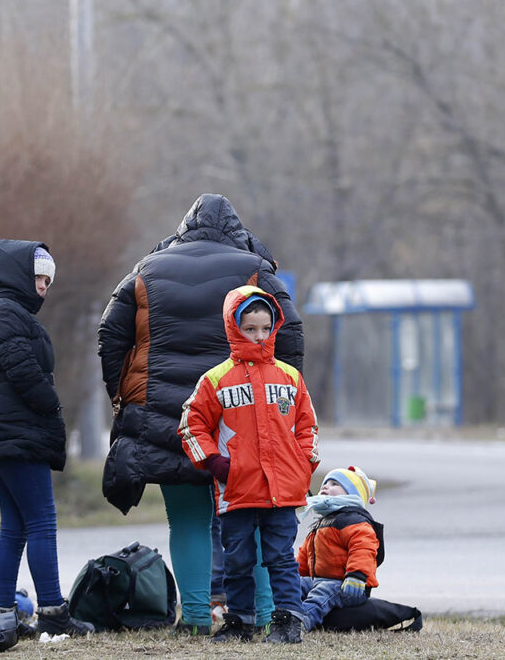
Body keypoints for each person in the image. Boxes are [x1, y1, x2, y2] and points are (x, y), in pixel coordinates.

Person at [98, 193, 303, 634]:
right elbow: (292, 333)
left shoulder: (146, 269)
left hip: (165, 415)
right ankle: (265, 615)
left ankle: (193, 618)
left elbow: (110, 335)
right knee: (258, 519)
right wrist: (280, 396)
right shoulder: (254, 268)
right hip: (245, 416)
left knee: (188, 518)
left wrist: (123, 394)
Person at [180, 286, 319, 644]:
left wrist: (302, 466)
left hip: (283, 490)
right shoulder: (215, 379)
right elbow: (191, 424)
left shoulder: (289, 376)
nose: (258, 335)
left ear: (274, 328)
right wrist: (214, 463)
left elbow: (308, 426)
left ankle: (289, 620)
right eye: (250, 328)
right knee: (237, 559)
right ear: (233, 328)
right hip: (236, 488)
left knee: (280, 558)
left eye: (264, 328)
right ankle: (239, 621)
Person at [0, 240, 93, 636]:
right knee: (42, 521)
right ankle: (52, 612)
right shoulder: (6, 312)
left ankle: (1, 615)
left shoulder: (8, 310)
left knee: (15, 527)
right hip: (19, 430)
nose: (44, 286)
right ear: (18, 275)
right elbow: (23, 370)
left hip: (11, 430)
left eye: (48, 280)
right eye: (39, 277)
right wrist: (51, 405)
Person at [296, 466, 382, 631]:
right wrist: (293, 576)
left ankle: (301, 621)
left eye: (334, 484)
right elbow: (304, 557)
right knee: (292, 585)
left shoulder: (355, 521)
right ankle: (274, 613)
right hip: (318, 581)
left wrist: (356, 575)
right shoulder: (320, 524)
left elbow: (364, 549)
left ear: (351, 495)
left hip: (349, 585)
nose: (326, 487)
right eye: (325, 484)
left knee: (324, 592)